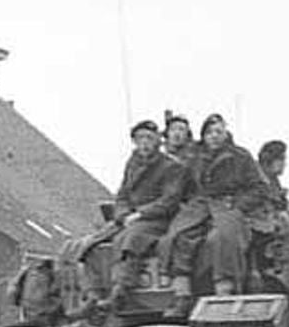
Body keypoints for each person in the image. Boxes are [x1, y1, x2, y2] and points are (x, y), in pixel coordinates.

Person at [157, 114, 269, 316]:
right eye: (209, 132)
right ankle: (182, 294)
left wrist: (239, 206)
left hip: (229, 205)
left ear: (226, 133)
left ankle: (224, 291)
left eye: (219, 131)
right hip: (200, 205)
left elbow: (259, 188)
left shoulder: (241, 157)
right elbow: (183, 186)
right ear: (203, 136)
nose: (214, 136)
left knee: (220, 239)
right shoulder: (195, 158)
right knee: (179, 236)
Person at [83, 120, 188, 312]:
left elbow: (169, 200)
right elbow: (122, 195)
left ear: (158, 140)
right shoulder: (132, 164)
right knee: (90, 244)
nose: (145, 143)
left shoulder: (171, 167)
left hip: (158, 219)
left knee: (132, 239)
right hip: (130, 218)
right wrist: (123, 215)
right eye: (140, 138)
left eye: (149, 138)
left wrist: (140, 214)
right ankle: (93, 295)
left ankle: (120, 290)